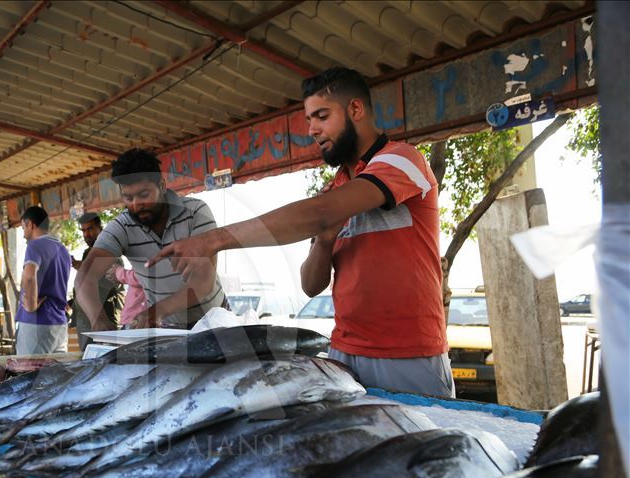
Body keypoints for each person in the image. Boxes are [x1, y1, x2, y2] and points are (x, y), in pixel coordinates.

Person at [147, 67, 453, 397]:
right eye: (309, 120)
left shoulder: (402, 159)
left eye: (322, 116)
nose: (312, 130)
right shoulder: (337, 189)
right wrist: (325, 240)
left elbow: (319, 213)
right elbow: (310, 284)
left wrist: (213, 240)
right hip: (345, 350)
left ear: (355, 109)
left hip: (408, 353)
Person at [74, 148, 226, 330]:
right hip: (168, 326)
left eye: (144, 195)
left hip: (215, 321)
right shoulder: (122, 227)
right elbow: (86, 276)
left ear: (161, 186)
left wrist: (157, 311)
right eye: (128, 197)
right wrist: (98, 319)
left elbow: (204, 281)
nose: (136, 205)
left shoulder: (196, 213)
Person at [15, 206, 72, 355]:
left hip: (36, 323)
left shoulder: (35, 245)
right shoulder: (63, 250)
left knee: (29, 369)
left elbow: (29, 276)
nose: (23, 234)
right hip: (59, 323)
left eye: (23, 228)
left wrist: (31, 305)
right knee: (58, 369)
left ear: (30, 224)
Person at [70, 212, 124, 348]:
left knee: (107, 358)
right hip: (86, 322)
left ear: (100, 228)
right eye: (83, 230)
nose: (86, 234)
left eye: (90, 229)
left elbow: (113, 282)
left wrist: (82, 268)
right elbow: (84, 286)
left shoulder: (110, 251)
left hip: (105, 320)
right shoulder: (87, 253)